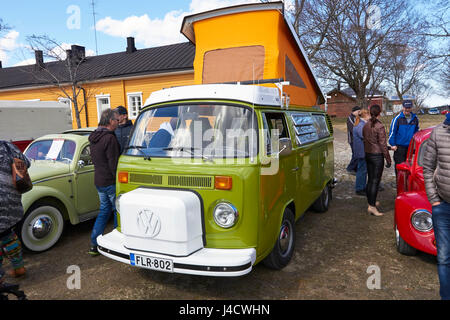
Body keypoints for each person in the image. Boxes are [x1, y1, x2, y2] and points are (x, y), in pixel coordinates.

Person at [422, 113, 450, 300]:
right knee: (444, 258)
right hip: (443, 205)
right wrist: (434, 200)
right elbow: (428, 167)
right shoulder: (438, 133)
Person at [88, 109, 121, 256]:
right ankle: (116, 243)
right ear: (110, 121)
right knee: (117, 211)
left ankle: (94, 244)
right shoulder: (110, 138)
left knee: (104, 211)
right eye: (116, 120)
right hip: (110, 181)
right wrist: (118, 180)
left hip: (99, 180)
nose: (118, 123)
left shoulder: (95, 137)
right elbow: (113, 163)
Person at [0, 140, 30, 281]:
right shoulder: (7, 145)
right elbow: (26, 163)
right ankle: (19, 267)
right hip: (10, 199)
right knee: (7, 234)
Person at [362, 105, 391, 216]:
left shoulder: (366, 125)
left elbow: (365, 140)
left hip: (368, 154)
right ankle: (372, 207)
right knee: (375, 181)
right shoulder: (379, 126)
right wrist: (388, 159)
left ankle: (371, 203)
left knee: (370, 180)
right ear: (379, 112)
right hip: (377, 156)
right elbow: (383, 145)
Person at [388, 100, 419, 177]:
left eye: (409, 108)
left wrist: (415, 144)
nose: (407, 110)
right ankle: (399, 183)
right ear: (403, 107)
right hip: (399, 147)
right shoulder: (397, 119)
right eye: (405, 108)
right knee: (399, 165)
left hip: (410, 147)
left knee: (409, 165)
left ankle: (407, 182)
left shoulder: (415, 119)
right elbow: (392, 132)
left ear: (411, 108)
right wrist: (393, 144)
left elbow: (416, 132)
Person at [353, 109, 370, 196]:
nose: (370, 116)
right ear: (365, 115)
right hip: (362, 151)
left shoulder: (362, 124)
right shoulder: (360, 125)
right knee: (362, 170)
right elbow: (365, 136)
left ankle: (362, 186)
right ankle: (359, 188)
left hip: (362, 151)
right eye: (369, 115)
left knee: (363, 169)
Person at [346, 106, 361, 175]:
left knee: (357, 154)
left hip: (357, 139)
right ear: (354, 111)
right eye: (358, 111)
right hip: (352, 139)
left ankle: (355, 168)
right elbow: (353, 129)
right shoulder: (350, 118)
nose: (359, 113)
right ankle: (350, 168)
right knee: (355, 154)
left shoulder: (357, 118)